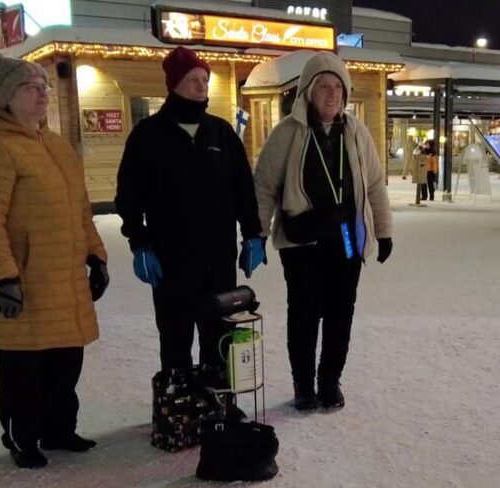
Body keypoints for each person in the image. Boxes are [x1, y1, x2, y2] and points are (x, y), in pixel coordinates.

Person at [0, 49, 109, 469]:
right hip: (24, 282)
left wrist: (96, 256)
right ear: (6, 97)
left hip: (64, 281)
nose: (42, 93)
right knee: (21, 371)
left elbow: (81, 210)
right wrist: (4, 277)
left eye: (44, 86)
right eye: (31, 87)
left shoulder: (57, 146)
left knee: (65, 363)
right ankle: (22, 439)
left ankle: (60, 429)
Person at [115, 46, 264, 420]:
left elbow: (243, 190)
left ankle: (220, 404)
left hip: (219, 258)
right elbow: (129, 195)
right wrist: (140, 242)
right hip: (172, 260)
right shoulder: (149, 135)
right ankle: (179, 408)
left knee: (219, 336)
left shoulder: (221, 133)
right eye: (193, 80)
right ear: (174, 85)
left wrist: (253, 234)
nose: (201, 86)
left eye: (204, 80)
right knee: (176, 336)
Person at [254, 51, 393, 411]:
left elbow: (375, 185)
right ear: (307, 92)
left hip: (346, 239)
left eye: (337, 88)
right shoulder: (287, 133)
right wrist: (256, 233)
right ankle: (303, 384)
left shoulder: (357, 131)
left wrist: (384, 230)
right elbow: (264, 187)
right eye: (323, 87)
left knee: (340, 314)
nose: (331, 95)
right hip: (303, 242)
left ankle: (329, 381)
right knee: (303, 314)